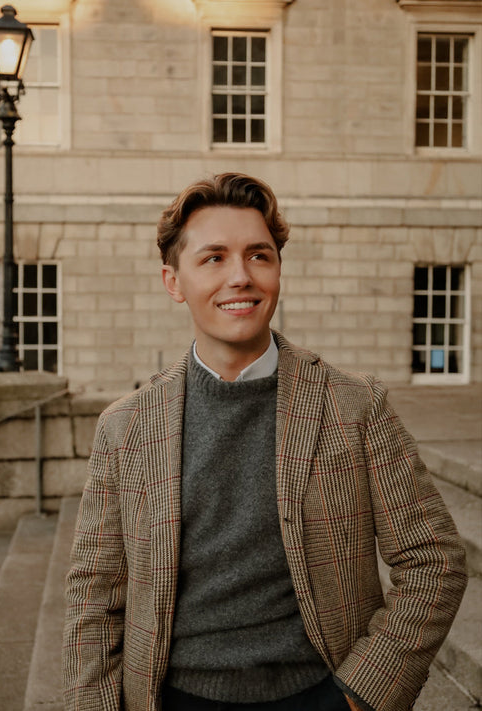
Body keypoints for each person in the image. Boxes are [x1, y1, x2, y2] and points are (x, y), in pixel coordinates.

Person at [63, 173, 467, 711]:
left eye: (259, 256)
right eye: (213, 258)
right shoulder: (125, 427)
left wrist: (364, 692)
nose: (241, 277)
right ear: (173, 281)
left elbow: (434, 558)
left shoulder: (354, 406)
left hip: (320, 694)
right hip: (171, 697)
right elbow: (93, 594)